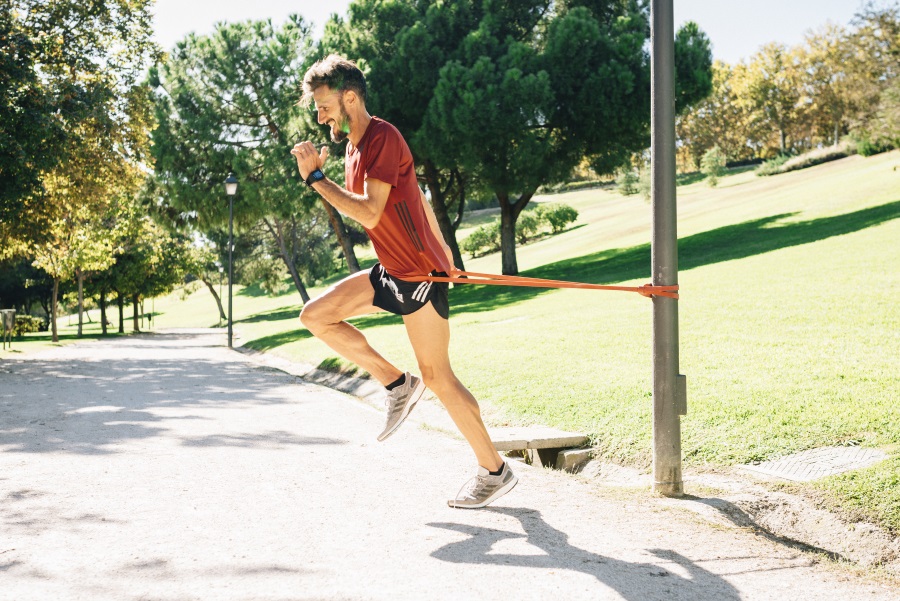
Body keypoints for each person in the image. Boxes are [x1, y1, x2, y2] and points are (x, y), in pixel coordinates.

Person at [291, 55, 517, 509]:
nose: (320, 117)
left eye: (323, 106)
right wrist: (446, 249)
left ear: (349, 98)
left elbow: (371, 211)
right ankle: (396, 384)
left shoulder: (383, 137)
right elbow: (416, 196)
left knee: (439, 377)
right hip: (392, 270)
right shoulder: (355, 147)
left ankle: (494, 471)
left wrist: (316, 177)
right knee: (316, 316)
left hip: (417, 276)